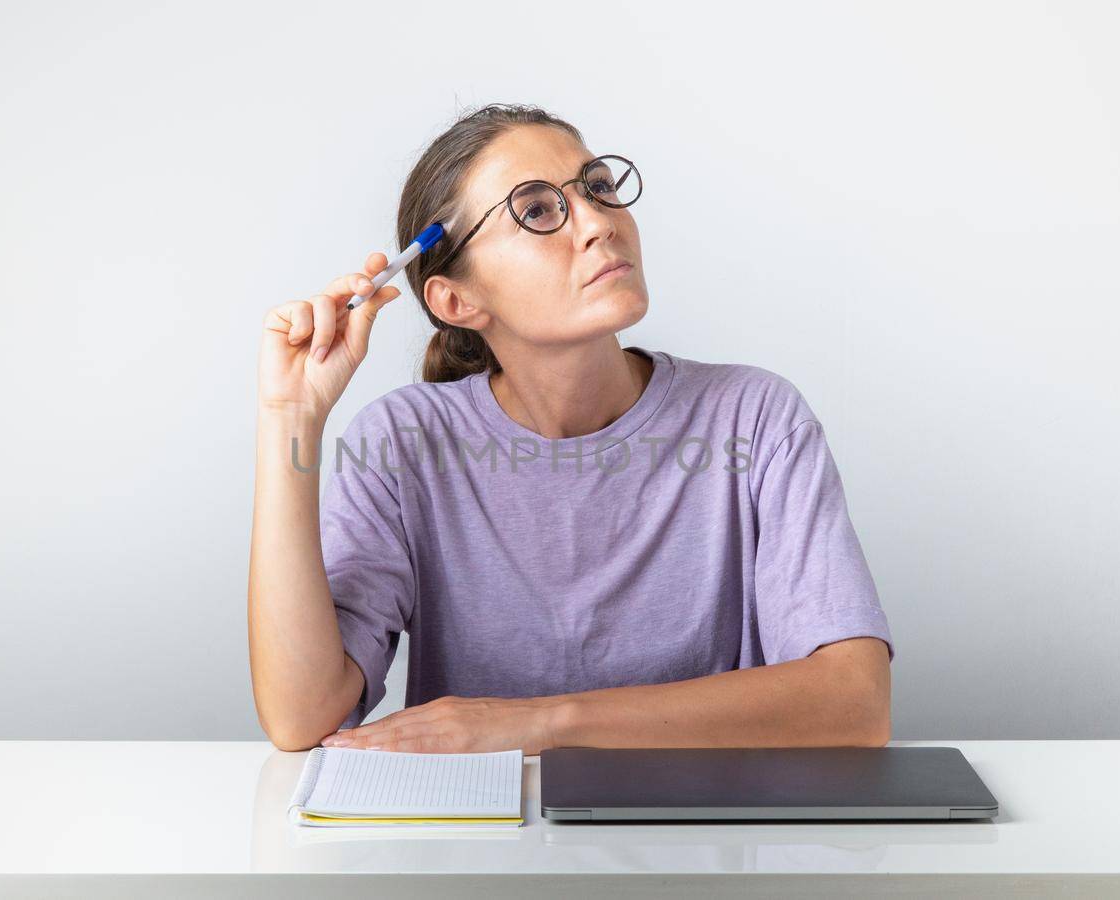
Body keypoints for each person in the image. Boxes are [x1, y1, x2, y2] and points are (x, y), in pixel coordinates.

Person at [249, 103, 893, 754]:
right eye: (535, 211)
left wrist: (537, 725)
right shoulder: (403, 442)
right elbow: (302, 715)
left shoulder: (753, 416)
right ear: (457, 300)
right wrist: (290, 419)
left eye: (599, 188)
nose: (597, 223)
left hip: (702, 846)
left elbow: (855, 705)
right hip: (481, 852)